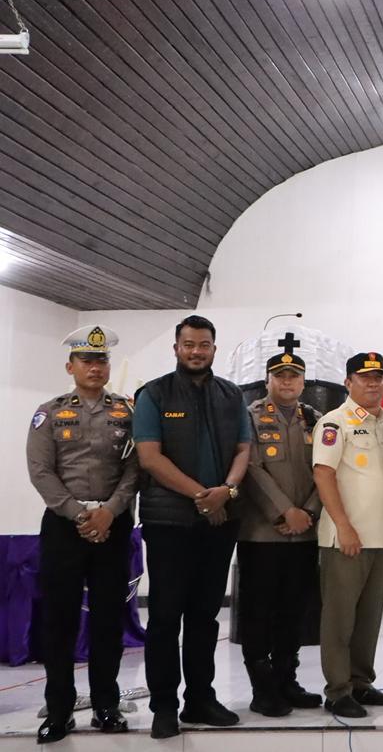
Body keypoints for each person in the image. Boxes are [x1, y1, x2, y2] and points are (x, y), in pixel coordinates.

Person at [134, 315, 251, 738]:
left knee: (205, 616)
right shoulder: (154, 394)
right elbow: (150, 458)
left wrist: (227, 490)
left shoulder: (231, 394)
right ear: (176, 348)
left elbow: (243, 449)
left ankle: (200, 698)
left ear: (214, 349)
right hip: (169, 522)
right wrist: (204, 496)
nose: (196, 351)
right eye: (189, 344)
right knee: (165, 616)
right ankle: (164, 705)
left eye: (203, 345)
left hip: (220, 521)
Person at [27, 326, 139, 744]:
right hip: (64, 526)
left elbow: (135, 469)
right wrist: (80, 514)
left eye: (101, 360)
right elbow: (41, 471)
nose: (95, 367)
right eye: (87, 360)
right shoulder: (49, 413)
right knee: (60, 620)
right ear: (70, 366)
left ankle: (106, 706)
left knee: (108, 619)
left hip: (114, 523)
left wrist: (109, 511)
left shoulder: (127, 412)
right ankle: (59, 710)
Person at [312, 352, 383, 718]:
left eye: (379, 377)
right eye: (365, 377)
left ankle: (361, 683)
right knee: (340, 617)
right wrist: (344, 525)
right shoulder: (335, 422)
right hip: (346, 538)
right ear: (348, 382)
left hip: (379, 536)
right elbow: (323, 474)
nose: (374, 383)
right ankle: (338, 690)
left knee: (368, 618)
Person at [237, 351, 324, 717]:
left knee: (294, 610)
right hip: (261, 533)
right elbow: (250, 467)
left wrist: (308, 512)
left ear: (303, 382)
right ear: (268, 380)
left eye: (294, 376)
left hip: (304, 533)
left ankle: (287, 679)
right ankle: (262, 688)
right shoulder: (250, 416)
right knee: (259, 612)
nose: (287, 382)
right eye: (280, 376)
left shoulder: (316, 419)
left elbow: (326, 470)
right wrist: (284, 511)